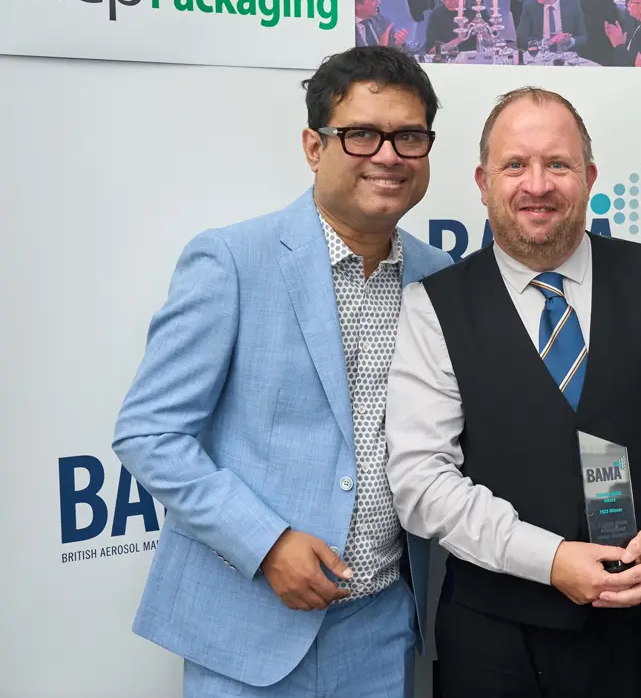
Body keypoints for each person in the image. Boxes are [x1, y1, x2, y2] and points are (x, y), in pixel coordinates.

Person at [111, 46, 453, 698]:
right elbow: (149, 432)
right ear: (313, 145)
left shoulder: (439, 280)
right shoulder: (233, 261)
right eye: (360, 134)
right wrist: (266, 543)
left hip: (382, 631)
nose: (387, 154)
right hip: (247, 629)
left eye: (409, 136)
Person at [384, 86, 641, 698]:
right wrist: (547, 560)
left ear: (590, 176)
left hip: (631, 633)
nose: (536, 185)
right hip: (490, 639)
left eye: (558, 164)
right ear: (483, 180)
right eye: (515, 164)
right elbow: (420, 480)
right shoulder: (433, 307)